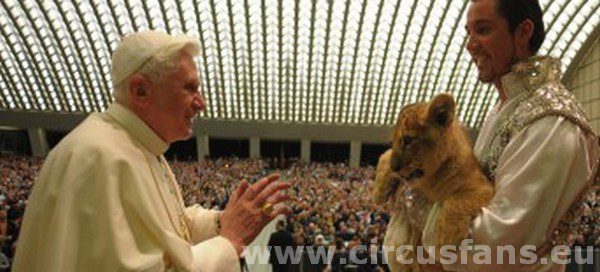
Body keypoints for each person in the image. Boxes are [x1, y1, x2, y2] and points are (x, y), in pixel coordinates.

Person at [12, 30, 292, 271]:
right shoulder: (99, 157)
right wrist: (228, 242)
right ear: (140, 91)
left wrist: (220, 221)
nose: (201, 103)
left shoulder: (141, 149)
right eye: (189, 88)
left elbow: (169, 232)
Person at [420, 0, 599, 271]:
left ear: (523, 32)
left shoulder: (552, 122)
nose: (470, 44)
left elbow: (496, 248)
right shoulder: (507, 107)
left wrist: (418, 206)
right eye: (468, 32)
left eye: (482, 29)